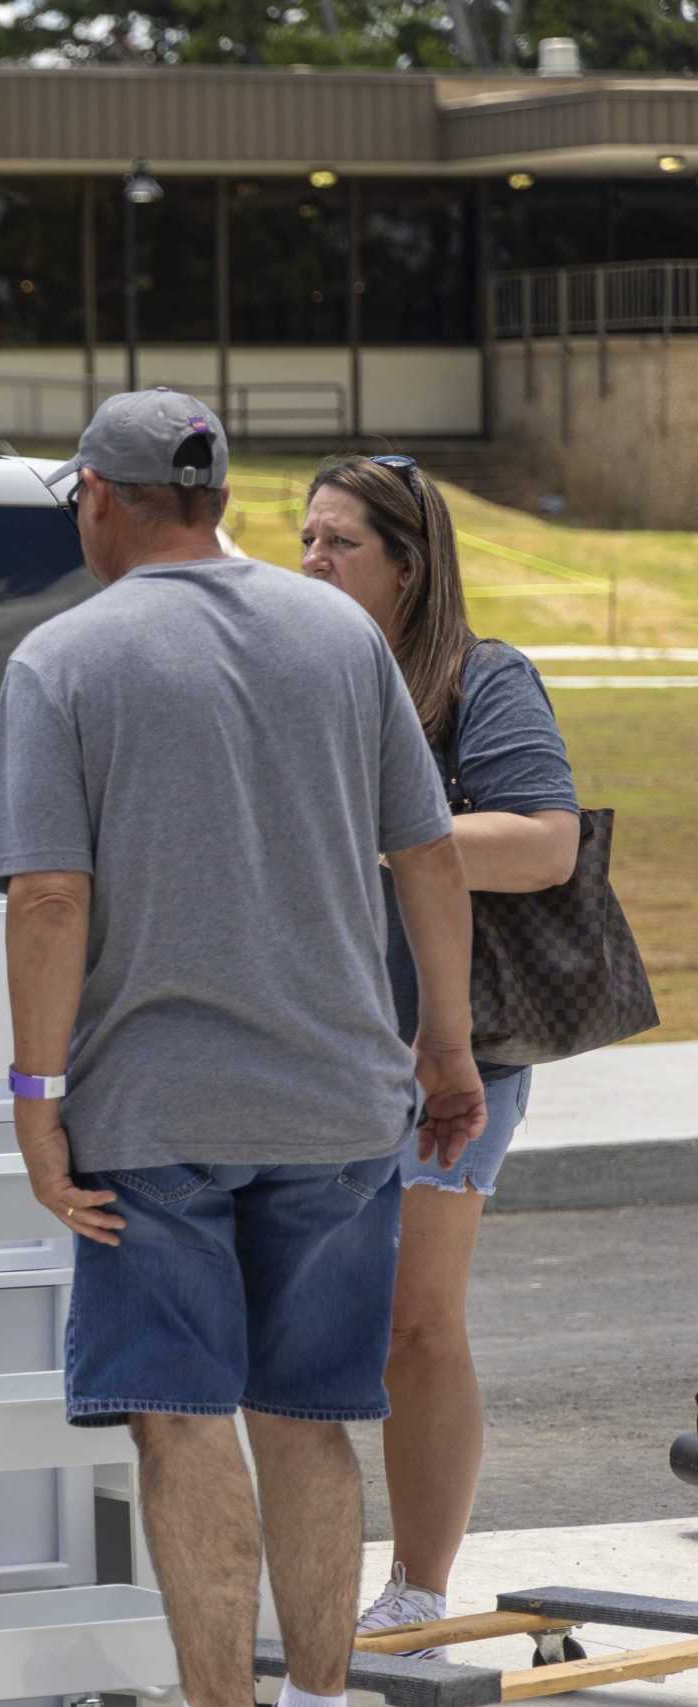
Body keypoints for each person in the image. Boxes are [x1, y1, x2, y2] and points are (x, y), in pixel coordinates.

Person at [0, 391, 488, 1707]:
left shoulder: (66, 657)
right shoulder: (339, 633)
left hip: (155, 1109)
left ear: (99, 493)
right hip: (338, 1099)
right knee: (313, 1419)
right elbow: (425, 852)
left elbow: (48, 899)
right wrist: (448, 1044)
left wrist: (36, 1097)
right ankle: (320, 1694)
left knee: (183, 1416)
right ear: (214, 498)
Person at [300, 455, 580, 1650]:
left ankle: (416, 1582)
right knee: (309, 1330)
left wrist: (382, 837)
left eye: (337, 545)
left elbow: (543, 842)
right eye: (302, 539)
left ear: (408, 569)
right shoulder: (291, 671)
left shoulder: (481, 679)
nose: (308, 563)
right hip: (301, 1041)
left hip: (440, 1051)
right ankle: (298, 1577)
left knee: (415, 1324)